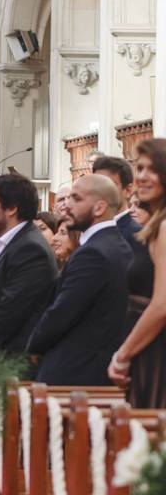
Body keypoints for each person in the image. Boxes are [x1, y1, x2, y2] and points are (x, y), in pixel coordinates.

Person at [27, 174, 132, 385]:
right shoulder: (118, 245)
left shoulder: (93, 252)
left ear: (99, 208)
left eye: (76, 198)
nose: (66, 206)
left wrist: (34, 346)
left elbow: (63, 311)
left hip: (75, 371)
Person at [0, 173, 58, 359]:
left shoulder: (30, 249)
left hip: (7, 362)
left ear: (12, 208)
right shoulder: (4, 243)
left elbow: (9, 312)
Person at [108, 139, 166, 408]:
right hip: (149, 346)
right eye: (139, 168)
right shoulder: (155, 226)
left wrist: (123, 354)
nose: (141, 177)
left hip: (157, 350)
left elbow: (161, 304)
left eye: (151, 170)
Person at [92, 155, 143, 255]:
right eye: (96, 185)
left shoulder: (138, 236)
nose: (100, 191)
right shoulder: (87, 230)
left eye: (108, 185)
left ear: (128, 190)